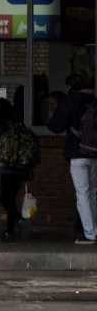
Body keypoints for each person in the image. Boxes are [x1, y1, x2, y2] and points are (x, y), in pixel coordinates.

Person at [47, 74, 97, 245]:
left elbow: (55, 126)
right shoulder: (95, 101)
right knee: (93, 192)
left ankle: (89, 234)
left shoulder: (71, 100)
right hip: (95, 153)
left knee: (82, 193)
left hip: (77, 153)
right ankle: (93, 229)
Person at [0, 97, 30, 241]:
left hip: (1, 168)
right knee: (10, 198)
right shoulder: (16, 125)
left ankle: (14, 222)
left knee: (4, 198)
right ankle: (12, 227)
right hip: (18, 169)